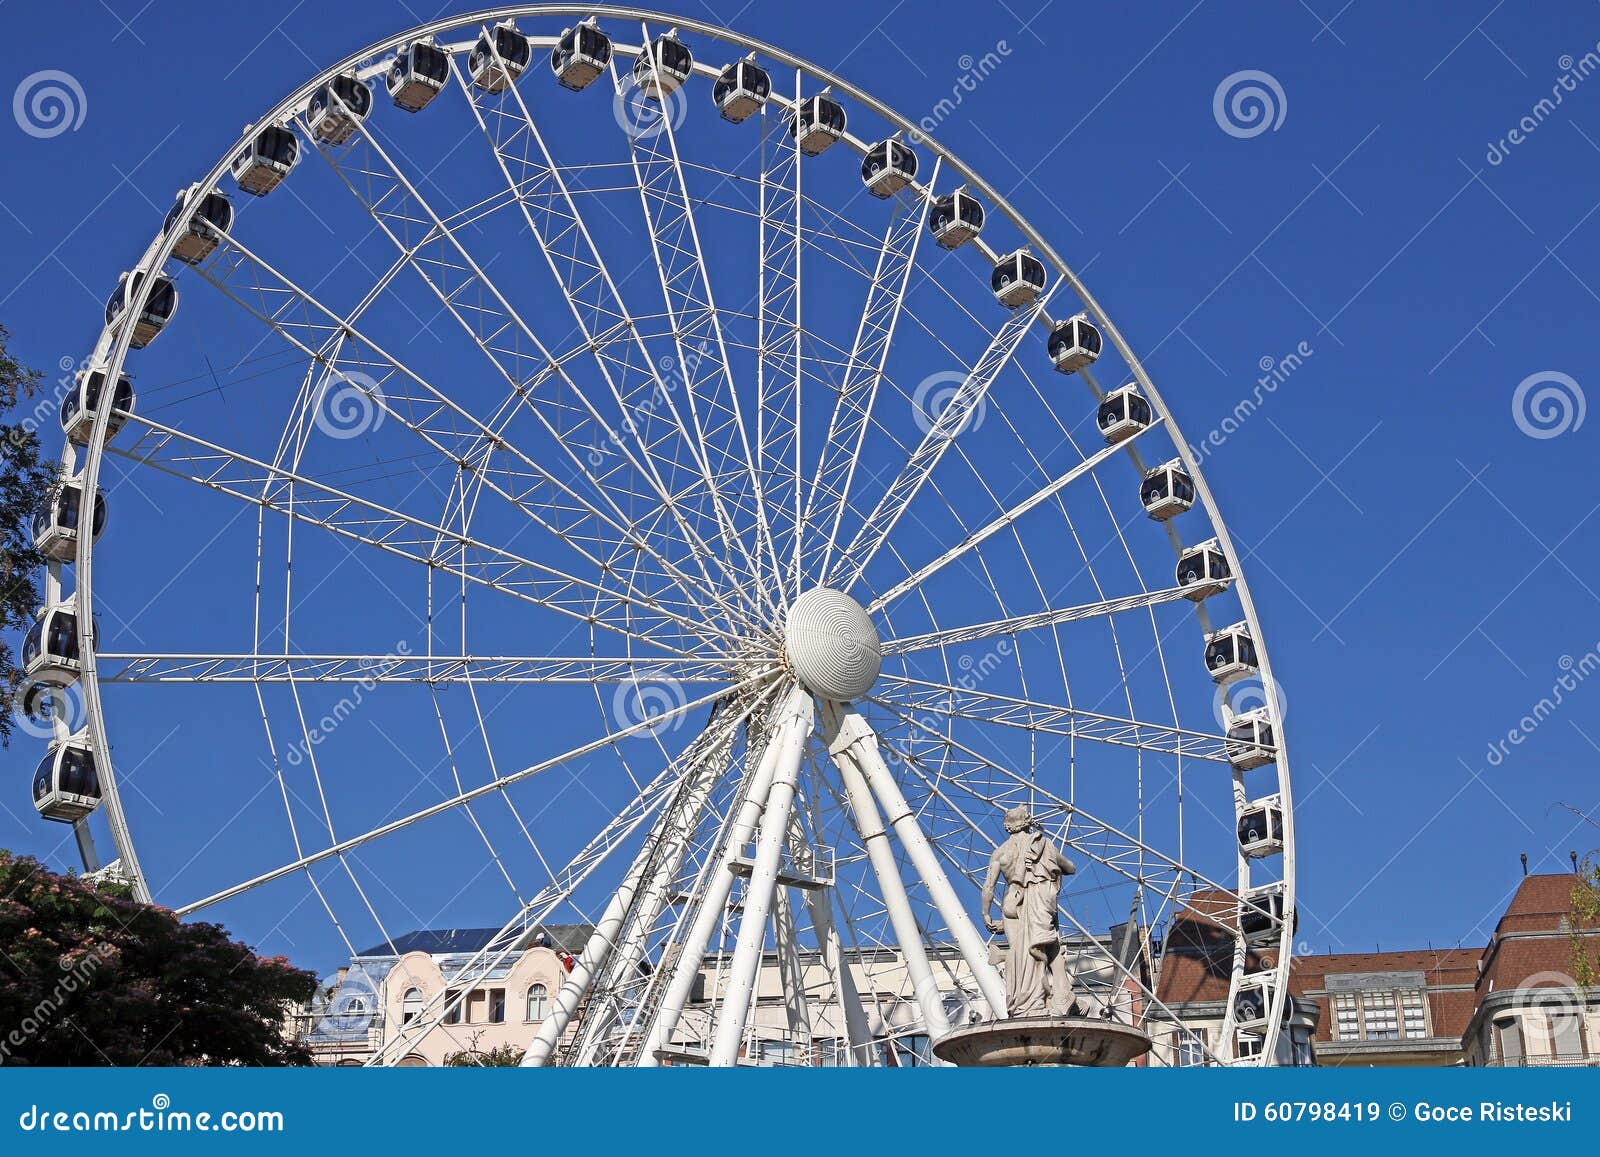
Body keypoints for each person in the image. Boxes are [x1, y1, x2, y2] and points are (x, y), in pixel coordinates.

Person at [979, 805, 1076, 1016]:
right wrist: (1048, 865)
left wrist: (985, 914)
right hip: (1040, 899)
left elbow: (988, 887)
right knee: (1045, 946)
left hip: (1013, 902)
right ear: (1028, 822)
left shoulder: (1000, 853)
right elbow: (1071, 868)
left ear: (1007, 826)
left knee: (1019, 951)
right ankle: (1045, 999)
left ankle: (1021, 1003)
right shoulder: (1044, 844)